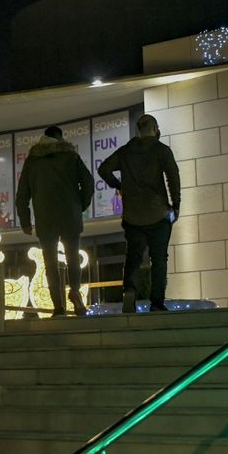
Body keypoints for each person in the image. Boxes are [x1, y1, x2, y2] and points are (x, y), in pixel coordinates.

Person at [98, 114, 181, 313]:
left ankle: (130, 291)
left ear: (138, 130)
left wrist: (119, 186)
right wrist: (175, 205)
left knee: (133, 257)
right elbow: (173, 177)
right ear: (155, 129)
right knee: (159, 259)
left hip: (133, 216)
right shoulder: (162, 150)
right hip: (157, 213)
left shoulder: (126, 151)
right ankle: (157, 303)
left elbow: (103, 169)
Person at [15, 126, 94, 316]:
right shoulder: (71, 157)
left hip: (45, 218)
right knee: (73, 258)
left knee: (50, 264)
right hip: (70, 216)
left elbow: (22, 195)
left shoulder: (33, 162)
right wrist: (80, 205)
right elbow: (89, 183)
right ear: (59, 138)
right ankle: (75, 293)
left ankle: (58, 307)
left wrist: (25, 221)